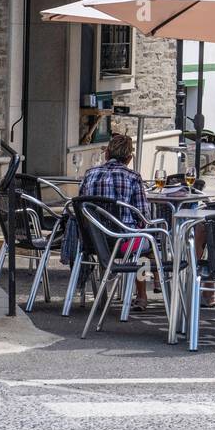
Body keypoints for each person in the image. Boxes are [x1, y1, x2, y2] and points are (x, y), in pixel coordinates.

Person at [77, 133, 154, 310]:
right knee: (147, 240)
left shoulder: (90, 174)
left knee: (143, 238)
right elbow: (144, 215)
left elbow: (81, 205)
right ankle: (142, 295)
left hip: (92, 241)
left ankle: (102, 293)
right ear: (128, 158)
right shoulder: (133, 177)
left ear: (106, 154)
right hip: (123, 244)